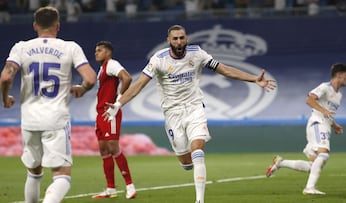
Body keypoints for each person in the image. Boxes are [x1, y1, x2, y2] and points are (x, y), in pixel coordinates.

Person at [103, 24, 276, 203]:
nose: (179, 41)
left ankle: (199, 200)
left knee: (198, 149)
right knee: (187, 163)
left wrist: (253, 78)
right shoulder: (159, 59)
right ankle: (191, 164)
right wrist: (118, 103)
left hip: (194, 108)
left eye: (182, 38)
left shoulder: (197, 53)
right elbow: (139, 84)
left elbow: (224, 70)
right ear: (168, 41)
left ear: (186, 39)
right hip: (172, 113)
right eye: (175, 38)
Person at [0, 6, 96, 203]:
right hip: (56, 119)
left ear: (35, 25)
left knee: (34, 172)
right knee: (62, 177)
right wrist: (82, 88)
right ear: (58, 26)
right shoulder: (70, 47)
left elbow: (5, 78)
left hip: (29, 119)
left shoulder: (21, 47)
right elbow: (91, 78)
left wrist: (5, 98)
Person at [266, 63, 346, 195]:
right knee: (324, 154)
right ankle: (309, 188)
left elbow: (328, 113)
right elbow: (309, 100)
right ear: (339, 75)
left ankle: (280, 163)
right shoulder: (325, 87)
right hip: (317, 123)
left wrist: (335, 125)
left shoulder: (339, 96)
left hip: (325, 126)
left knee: (312, 166)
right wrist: (323, 111)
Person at [91, 41, 136, 199]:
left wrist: (118, 101)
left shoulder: (111, 64)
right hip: (100, 113)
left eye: (100, 50)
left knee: (113, 147)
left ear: (108, 52)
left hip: (110, 112)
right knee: (104, 149)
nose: (96, 53)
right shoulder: (102, 68)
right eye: (96, 50)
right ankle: (110, 189)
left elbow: (127, 78)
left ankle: (130, 186)